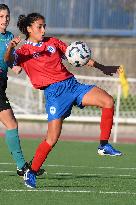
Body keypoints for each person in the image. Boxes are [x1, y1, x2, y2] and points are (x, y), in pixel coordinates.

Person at [5, 12, 122, 188]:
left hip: (72, 85)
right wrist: (10, 48)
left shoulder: (53, 42)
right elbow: (8, 61)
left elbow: (77, 56)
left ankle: (103, 145)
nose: (43, 30)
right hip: (54, 95)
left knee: (108, 101)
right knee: (51, 139)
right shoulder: (22, 51)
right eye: (39, 27)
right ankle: (32, 172)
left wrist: (103, 67)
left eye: (44, 26)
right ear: (29, 29)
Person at [0, 4, 44, 177]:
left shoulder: (10, 36)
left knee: (11, 124)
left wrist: (20, 64)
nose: (5, 20)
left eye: (7, 16)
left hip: (2, 83)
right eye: (1, 16)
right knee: (11, 124)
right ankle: (21, 166)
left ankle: (21, 166)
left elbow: (10, 62)